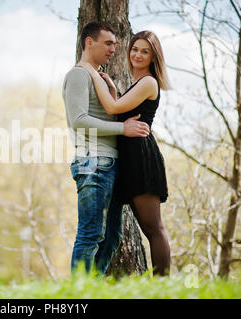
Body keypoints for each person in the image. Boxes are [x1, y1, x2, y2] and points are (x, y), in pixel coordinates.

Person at [76, 30, 171, 276]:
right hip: (127, 158)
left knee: (153, 228)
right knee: (121, 231)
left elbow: (112, 107)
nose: (137, 55)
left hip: (141, 158)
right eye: (135, 49)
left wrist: (90, 72)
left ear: (153, 57)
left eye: (145, 51)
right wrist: (114, 90)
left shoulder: (149, 82)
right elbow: (121, 109)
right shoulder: (137, 84)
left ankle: (163, 287)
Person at [63, 21, 150, 276]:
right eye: (108, 43)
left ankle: (92, 288)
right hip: (94, 163)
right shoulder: (78, 74)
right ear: (89, 42)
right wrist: (123, 129)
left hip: (109, 164)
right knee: (90, 234)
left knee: (111, 238)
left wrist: (112, 94)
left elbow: (103, 114)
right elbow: (79, 120)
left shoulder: (98, 78)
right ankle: (78, 294)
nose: (114, 49)